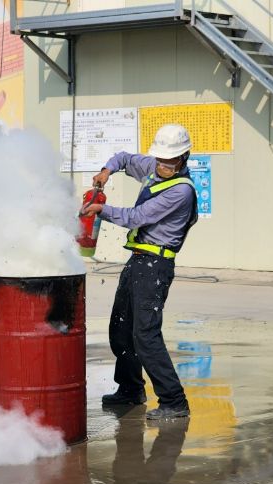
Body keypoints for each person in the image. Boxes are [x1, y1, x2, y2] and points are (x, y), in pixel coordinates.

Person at [82, 124, 198, 419]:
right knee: (121, 330)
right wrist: (106, 171)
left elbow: (137, 216)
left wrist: (101, 211)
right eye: (160, 159)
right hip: (137, 260)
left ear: (183, 158)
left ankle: (174, 401)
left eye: (170, 162)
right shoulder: (153, 167)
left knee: (145, 334)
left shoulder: (181, 192)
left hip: (156, 266)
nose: (162, 166)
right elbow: (122, 157)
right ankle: (131, 389)